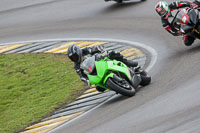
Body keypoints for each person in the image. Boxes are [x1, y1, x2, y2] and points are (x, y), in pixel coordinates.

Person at [67, 44, 139, 92]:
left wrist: (102, 52)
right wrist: (87, 81)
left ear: (78, 52)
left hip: (103, 61)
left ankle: (128, 63)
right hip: (96, 73)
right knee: (99, 88)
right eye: (72, 58)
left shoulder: (86, 50)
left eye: (75, 56)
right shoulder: (76, 66)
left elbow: (98, 48)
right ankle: (116, 85)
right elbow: (82, 76)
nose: (74, 59)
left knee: (113, 53)